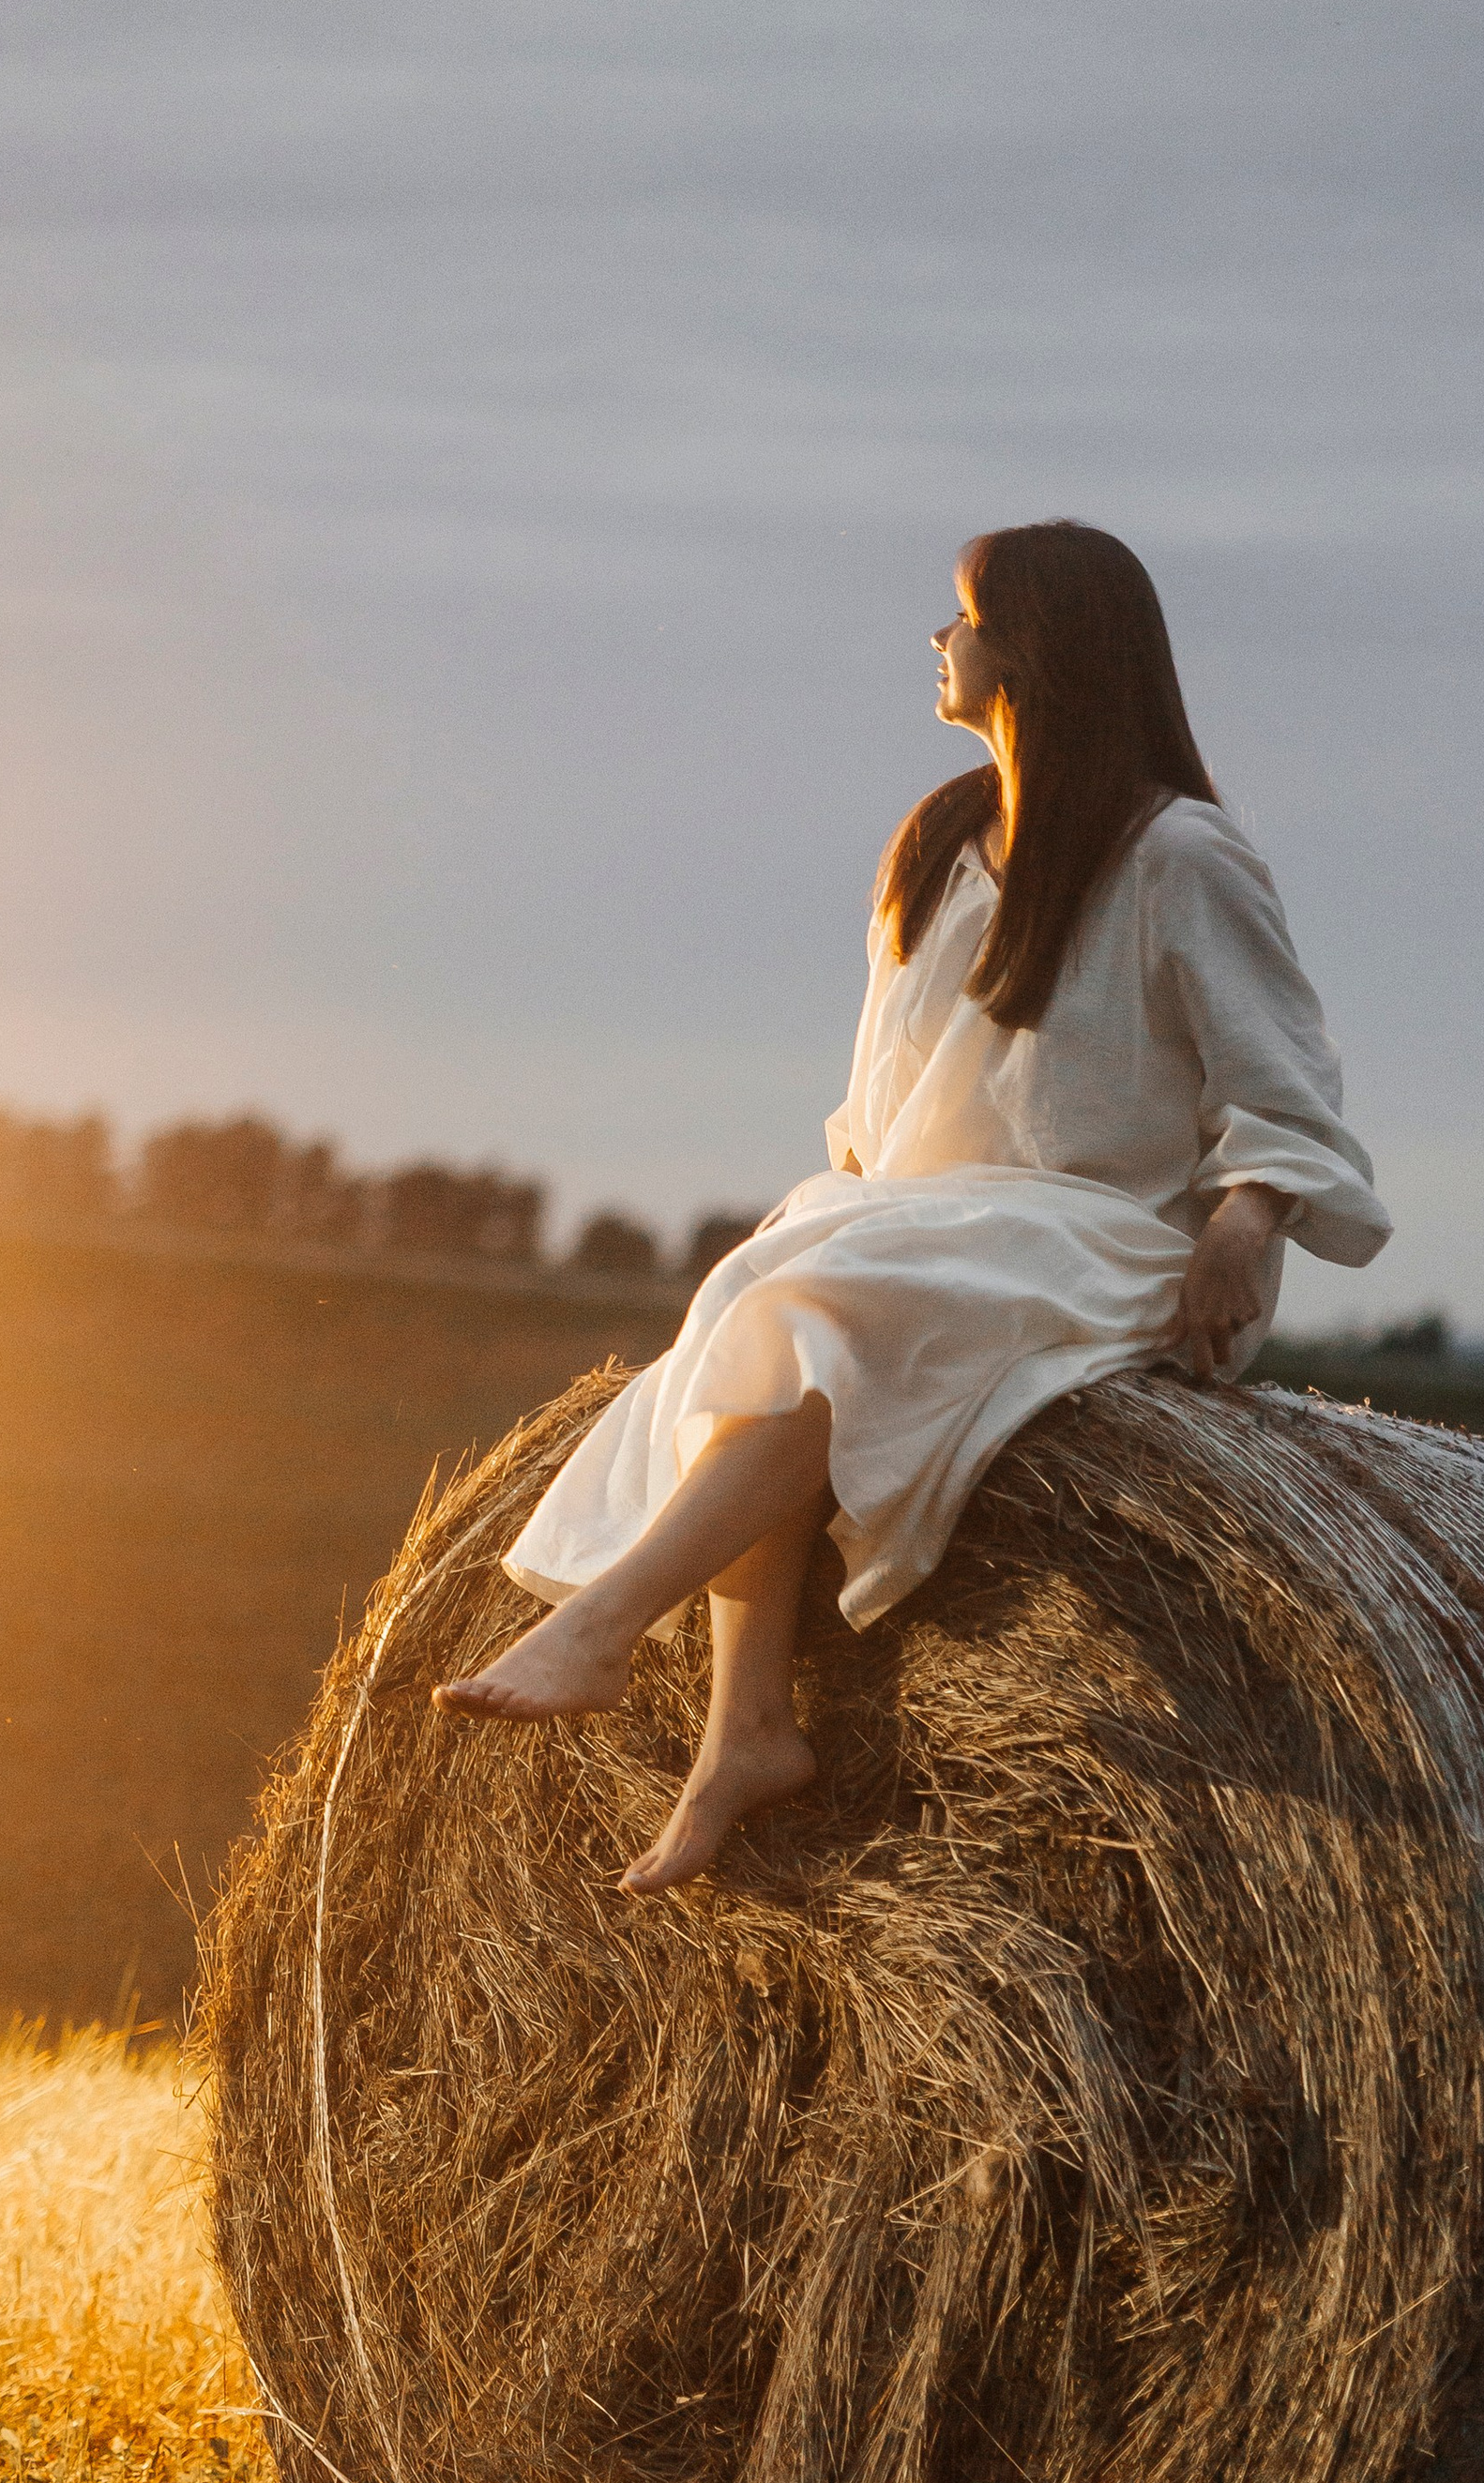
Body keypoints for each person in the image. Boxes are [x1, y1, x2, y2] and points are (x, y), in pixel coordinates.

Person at [435, 520, 1390, 1895]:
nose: (942, 644)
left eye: (963, 618)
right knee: (775, 1290)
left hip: (1110, 1235)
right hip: (934, 1224)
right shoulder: (940, 842)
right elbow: (880, 1101)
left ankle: (607, 1619)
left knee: (834, 1304)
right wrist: (845, 1211)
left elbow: (1285, 1081)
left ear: (1035, 651)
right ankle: (745, 1732)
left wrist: (1247, 1226)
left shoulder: (1182, 854)